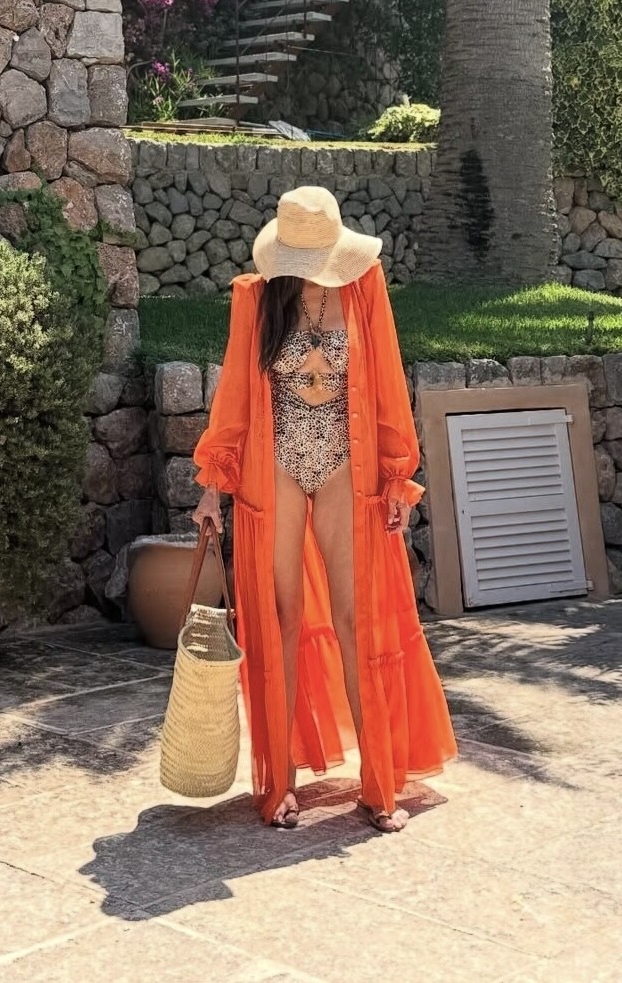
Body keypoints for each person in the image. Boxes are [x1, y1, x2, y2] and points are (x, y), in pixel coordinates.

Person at [192, 185, 457, 832]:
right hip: (275, 466)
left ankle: (378, 784)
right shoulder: (256, 298)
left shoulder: (364, 288)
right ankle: (280, 783)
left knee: (354, 618)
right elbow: (234, 394)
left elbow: (388, 379)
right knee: (279, 619)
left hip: (346, 465)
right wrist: (212, 483)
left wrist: (396, 476)